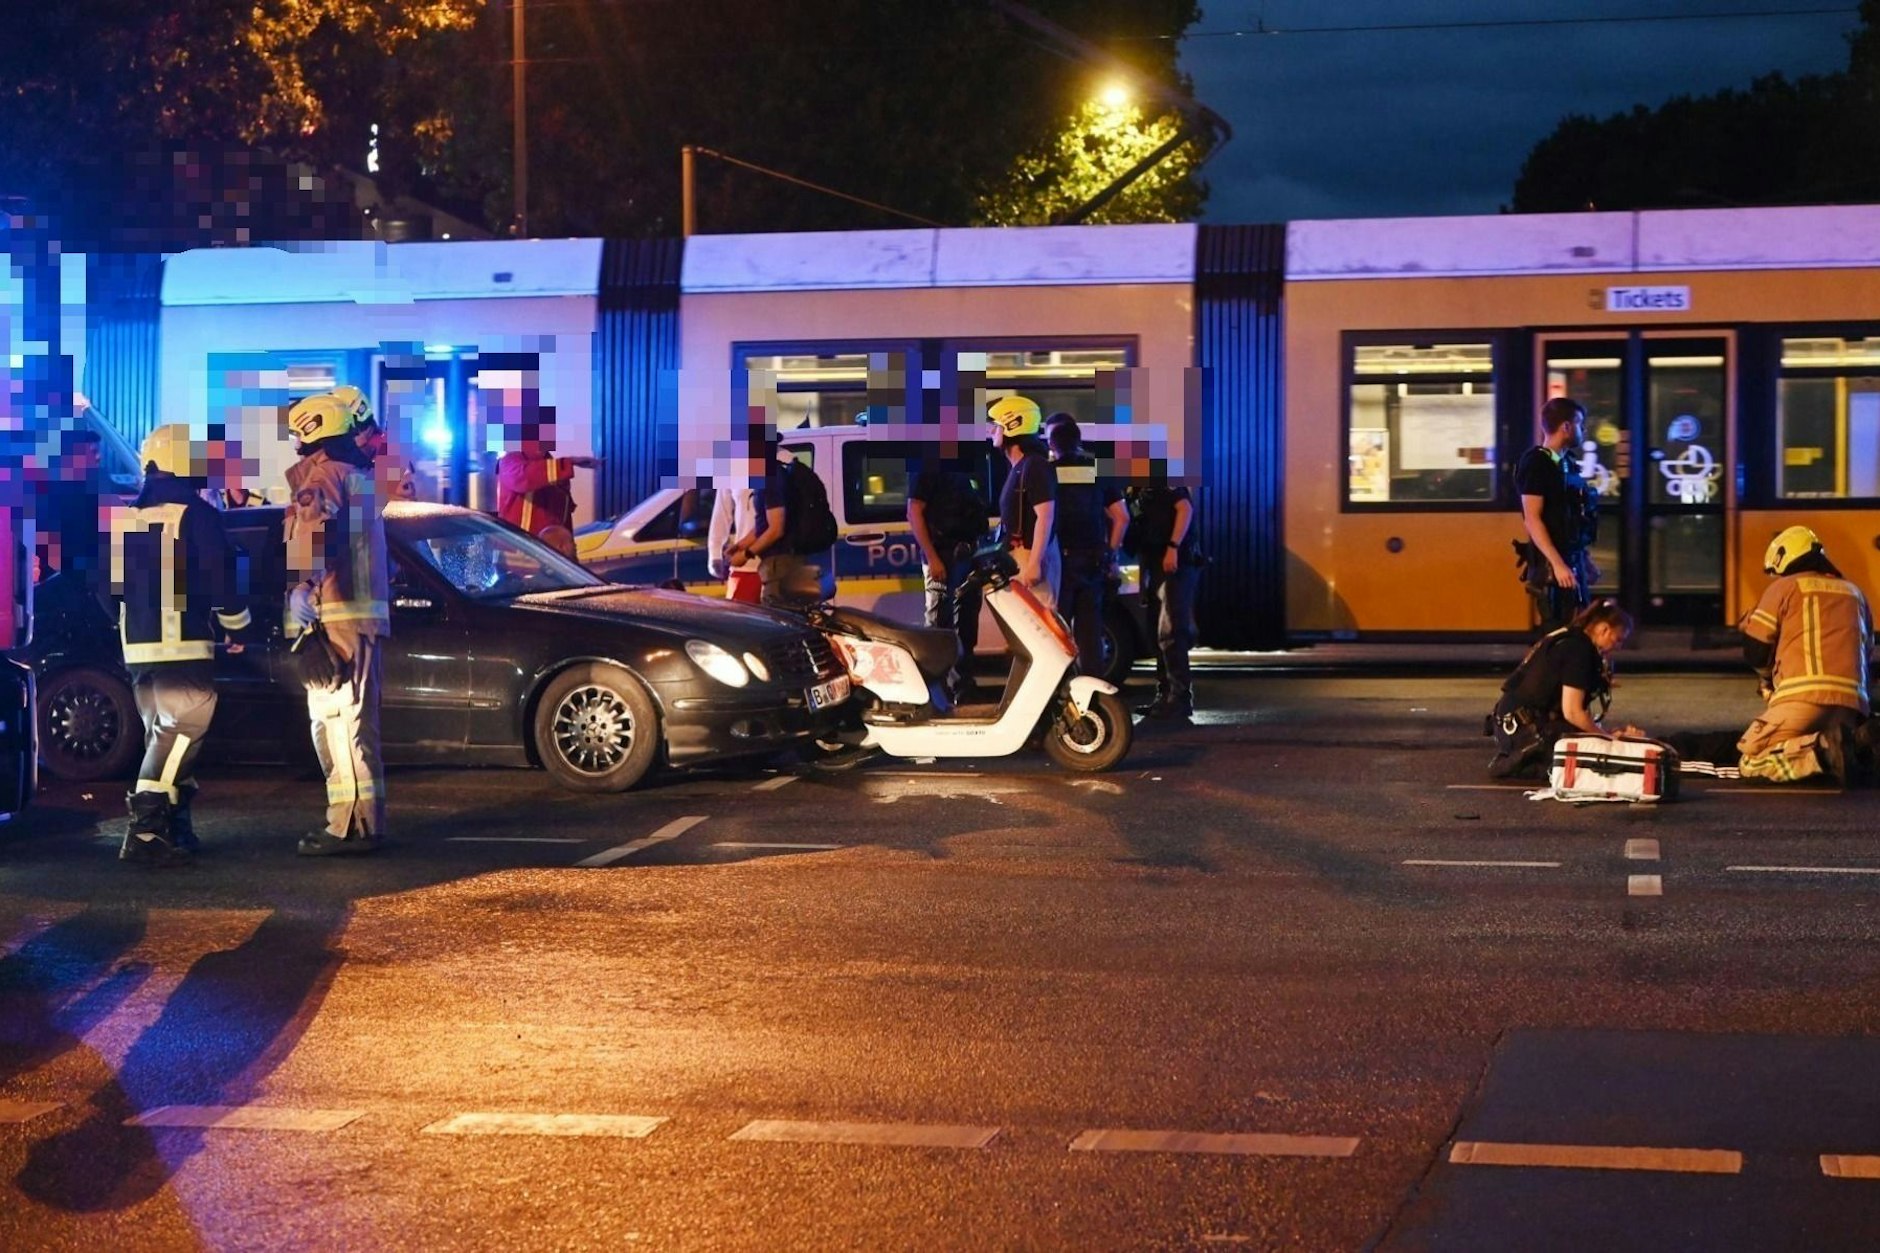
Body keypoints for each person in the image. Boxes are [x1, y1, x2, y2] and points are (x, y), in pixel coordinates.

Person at [110, 424, 252, 864]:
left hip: (138, 651)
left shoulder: (127, 517)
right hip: (184, 645)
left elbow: (105, 587)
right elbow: (220, 578)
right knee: (180, 733)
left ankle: (173, 825)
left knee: (166, 738)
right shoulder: (197, 515)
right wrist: (238, 626)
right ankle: (148, 831)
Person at [283, 389, 392, 856]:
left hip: (338, 619)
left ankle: (350, 825)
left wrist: (302, 586)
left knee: (339, 726)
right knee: (352, 727)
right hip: (357, 619)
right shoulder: (356, 476)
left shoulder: (325, 475)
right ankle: (359, 820)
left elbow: (313, 532)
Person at [1735, 526, 1872, 784]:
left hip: (1801, 700)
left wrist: (1766, 681)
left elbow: (1756, 651)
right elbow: (1867, 651)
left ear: (1783, 559)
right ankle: (1850, 745)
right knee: (1824, 746)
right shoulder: (1855, 593)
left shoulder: (1784, 588)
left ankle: (1822, 751)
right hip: (1852, 705)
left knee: (1751, 760)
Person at [1488, 598, 1645, 778]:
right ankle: (1516, 763)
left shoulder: (1570, 638)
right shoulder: (1579, 651)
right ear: (1603, 629)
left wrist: (1603, 733)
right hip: (1524, 730)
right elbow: (1573, 712)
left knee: (1589, 745)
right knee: (1582, 767)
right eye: (1617, 640)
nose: (1618, 647)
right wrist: (1608, 739)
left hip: (1515, 723)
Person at [1046, 417, 1127, 676]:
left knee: (1057, 632)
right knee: (1090, 632)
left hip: (1060, 562)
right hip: (1093, 561)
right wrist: (1110, 552)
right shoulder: (1097, 469)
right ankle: (1093, 691)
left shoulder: (1047, 472)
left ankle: (1060, 690)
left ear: (1051, 444)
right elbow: (1122, 517)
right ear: (1079, 441)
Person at [908, 449, 991, 700]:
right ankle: (937, 689)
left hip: (967, 555)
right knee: (940, 627)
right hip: (943, 555)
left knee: (967, 622)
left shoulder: (963, 464)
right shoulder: (930, 464)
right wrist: (933, 557)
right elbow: (914, 511)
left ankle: (962, 683)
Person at [1516, 397, 1599, 633]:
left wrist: (1584, 559)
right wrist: (1557, 564)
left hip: (1571, 563)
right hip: (1553, 570)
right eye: (1580, 424)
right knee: (1557, 634)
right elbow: (1532, 518)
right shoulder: (1536, 463)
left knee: (1576, 631)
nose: (1583, 431)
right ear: (1566, 427)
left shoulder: (1566, 463)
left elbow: (1571, 517)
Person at [724, 442, 833, 607]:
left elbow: (776, 529)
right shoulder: (769, 475)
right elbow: (766, 523)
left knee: (778, 621)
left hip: (781, 565)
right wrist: (741, 544)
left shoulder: (771, 478)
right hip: (779, 563)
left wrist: (746, 554)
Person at [1129, 480, 1202, 721]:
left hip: (1174, 564)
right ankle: (1165, 695)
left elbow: (1185, 509)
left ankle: (1180, 698)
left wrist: (1173, 547)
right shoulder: (1139, 487)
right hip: (1156, 563)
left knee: (1171, 632)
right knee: (1157, 633)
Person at [989, 396, 1057, 609]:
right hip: (1021, 557)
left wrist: (1035, 563)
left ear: (1013, 425)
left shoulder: (1034, 466)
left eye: (996, 426)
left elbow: (1045, 516)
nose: (992, 432)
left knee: (1041, 629)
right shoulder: (1019, 466)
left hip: (1030, 557)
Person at [496, 408, 599, 537]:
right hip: (518, 549)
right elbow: (524, 479)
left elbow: (563, 516)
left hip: (544, 550)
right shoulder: (510, 460)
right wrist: (570, 462)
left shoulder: (554, 467)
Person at [708, 484, 760, 601]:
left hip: (778, 564)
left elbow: (770, 523)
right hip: (745, 567)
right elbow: (722, 513)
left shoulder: (780, 470)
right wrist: (715, 554)